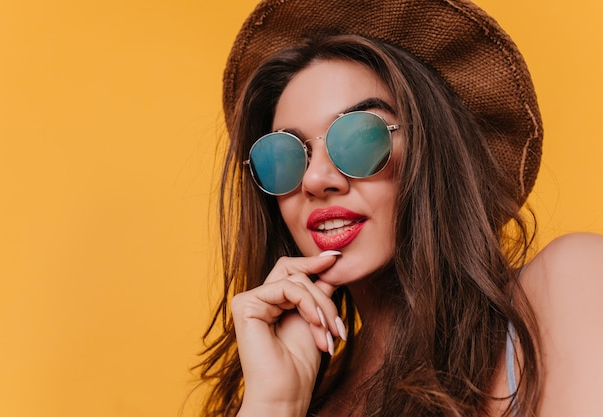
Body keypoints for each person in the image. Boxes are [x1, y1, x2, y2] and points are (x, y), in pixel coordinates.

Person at [195, 0, 603, 415]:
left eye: (358, 137)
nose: (316, 180)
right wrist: (275, 403)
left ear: (433, 148)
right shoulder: (297, 394)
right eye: (283, 156)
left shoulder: (568, 287)